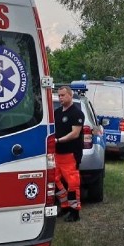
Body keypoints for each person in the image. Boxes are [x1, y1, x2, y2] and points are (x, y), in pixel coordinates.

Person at [54, 85, 84, 222]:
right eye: (59, 95)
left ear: (70, 95)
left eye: (63, 95)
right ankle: (64, 206)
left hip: (71, 154)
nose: (60, 98)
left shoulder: (76, 113)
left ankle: (74, 212)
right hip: (56, 154)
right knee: (54, 180)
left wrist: (58, 140)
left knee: (72, 184)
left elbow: (75, 134)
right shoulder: (57, 112)